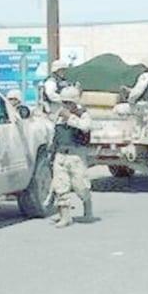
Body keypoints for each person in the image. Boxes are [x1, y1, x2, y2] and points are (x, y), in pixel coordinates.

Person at [49, 85, 93, 228]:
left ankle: (87, 206)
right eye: (64, 102)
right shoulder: (59, 116)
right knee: (60, 186)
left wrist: (71, 118)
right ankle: (65, 216)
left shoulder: (82, 114)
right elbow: (55, 133)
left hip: (76, 155)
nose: (65, 105)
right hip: (61, 154)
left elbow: (85, 127)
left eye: (68, 103)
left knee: (80, 186)